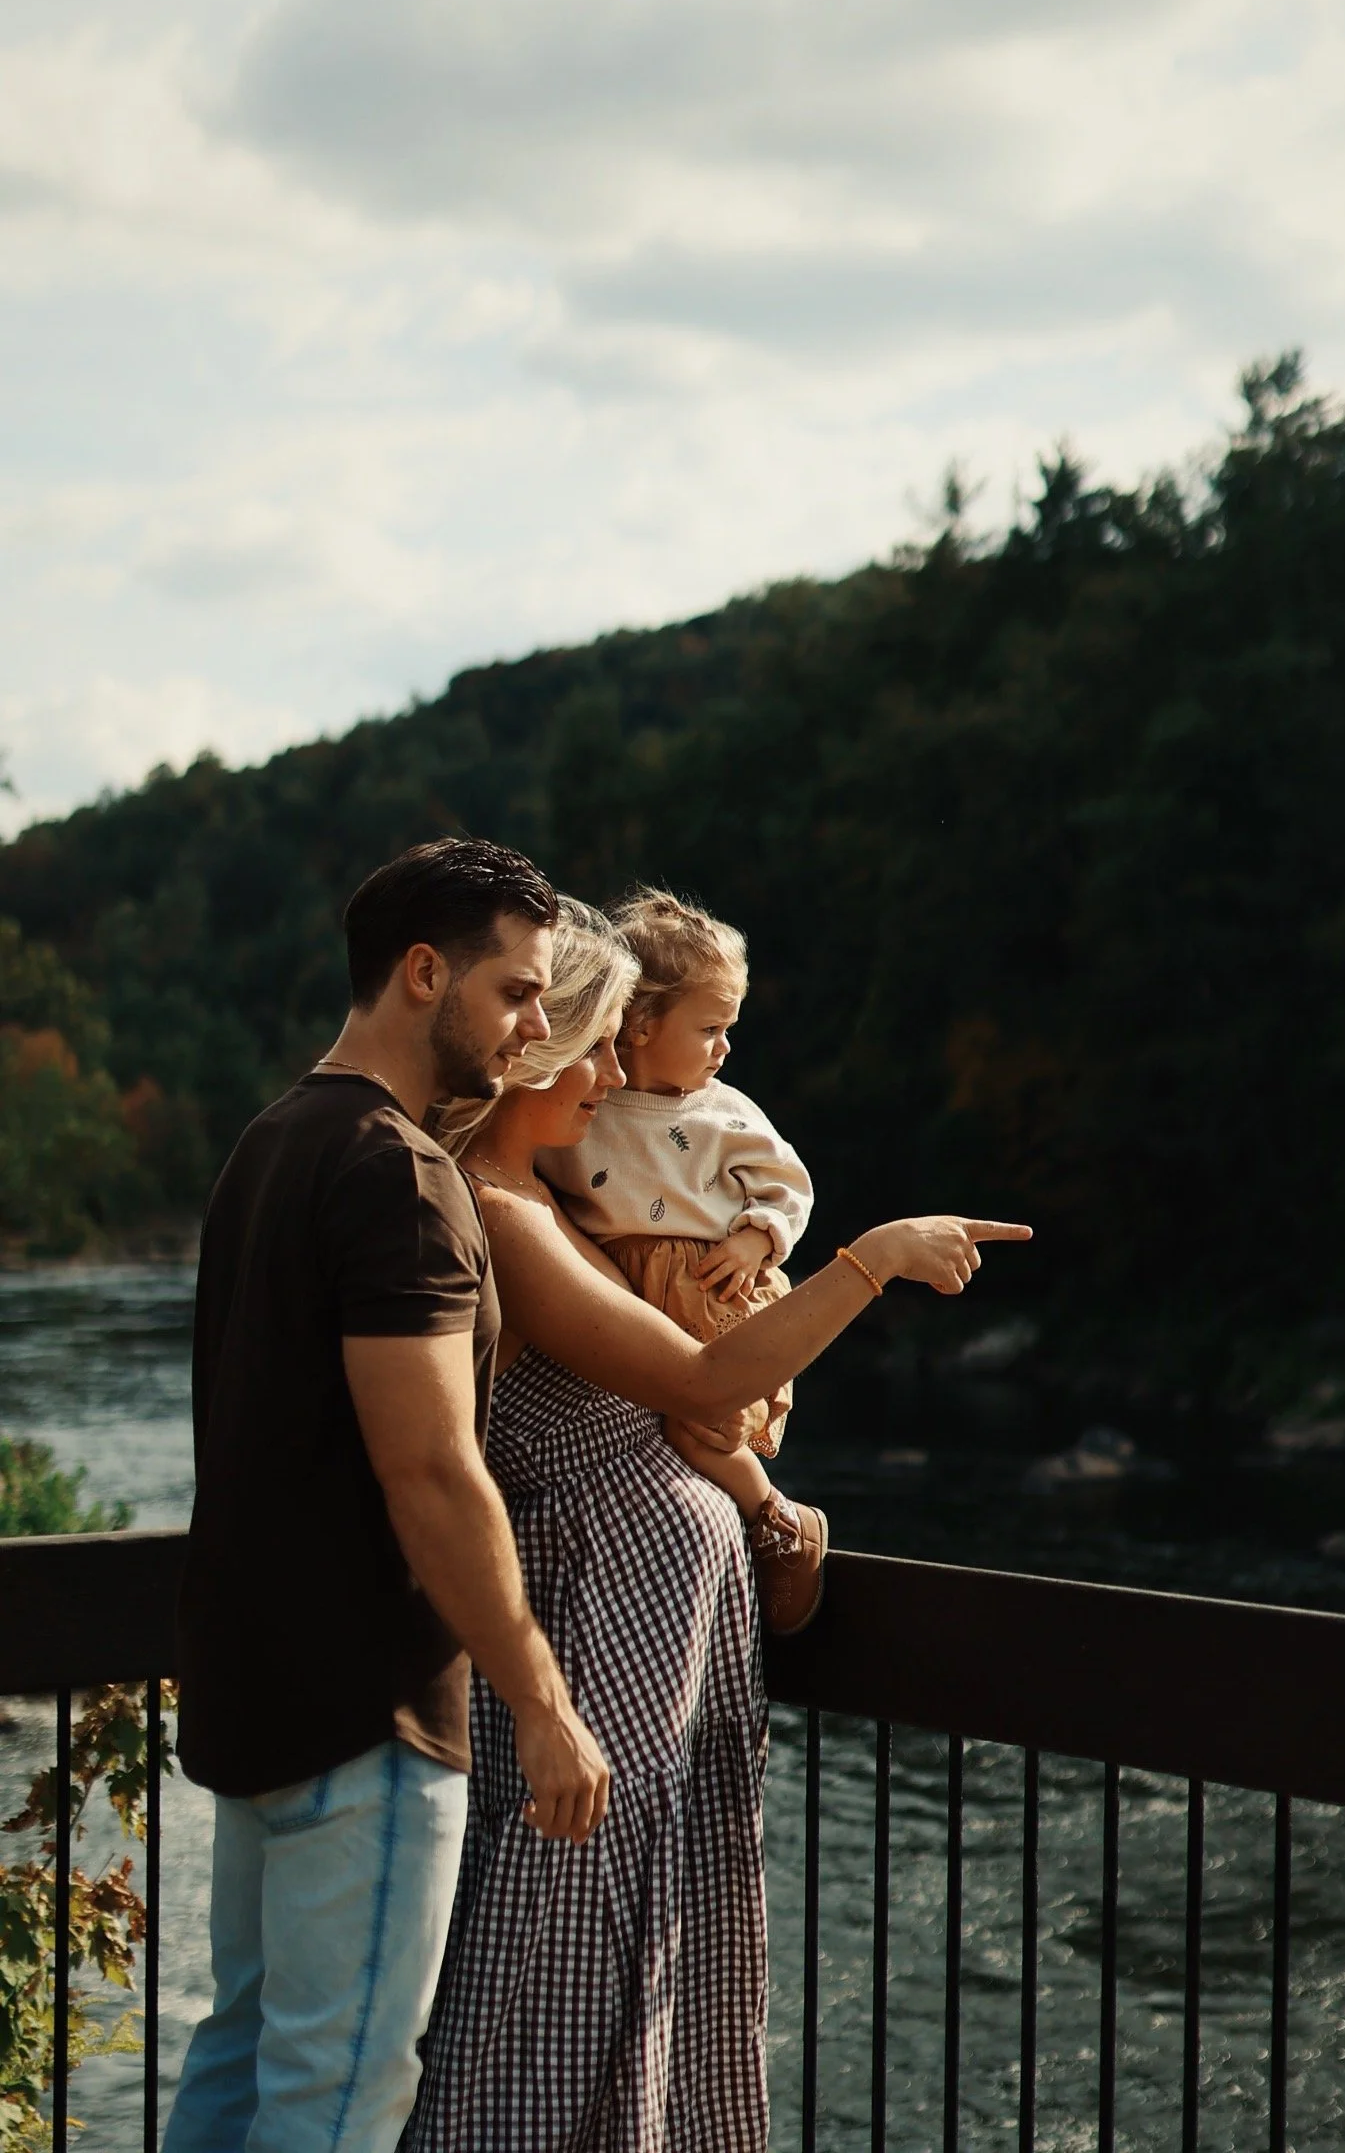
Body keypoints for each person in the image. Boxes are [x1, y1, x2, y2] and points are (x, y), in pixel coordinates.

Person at [406, 897, 1031, 2152]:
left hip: (658, 1651)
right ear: (531, 1061)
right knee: (546, 1968)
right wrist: (872, 1259)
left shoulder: (574, 1208)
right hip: (590, 1643)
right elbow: (705, 1383)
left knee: (645, 1968)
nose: (608, 1078)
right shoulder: (510, 1213)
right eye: (586, 1051)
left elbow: (703, 1370)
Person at [165, 839, 610, 2153]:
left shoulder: (271, 1143)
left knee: (241, 2059)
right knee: (338, 2097)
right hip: (365, 1721)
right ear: (426, 974)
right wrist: (538, 1701)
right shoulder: (400, 1176)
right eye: (519, 993)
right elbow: (428, 1471)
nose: (536, 1029)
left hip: (253, 1696)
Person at [536, 885, 827, 1633]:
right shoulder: (586, 1098)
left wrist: (756, 1238)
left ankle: (777, 1519)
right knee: (643, 1419)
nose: (724, 1048)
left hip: (707, 1285)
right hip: (626, 1286)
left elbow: (787, 1183)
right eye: (709, 1029)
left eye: (727, 1029)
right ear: (636, 1024)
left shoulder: (722, 1109)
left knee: (699, 1426)